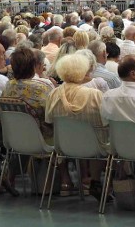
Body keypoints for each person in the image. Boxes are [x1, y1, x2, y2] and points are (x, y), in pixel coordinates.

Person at [45, 53, 109, 200]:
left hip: (64, 147)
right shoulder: (95, 95)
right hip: (96, 147)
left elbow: (49, 121)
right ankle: (97, 180)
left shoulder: (53, 95)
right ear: (82, 72)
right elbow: (105, 121)